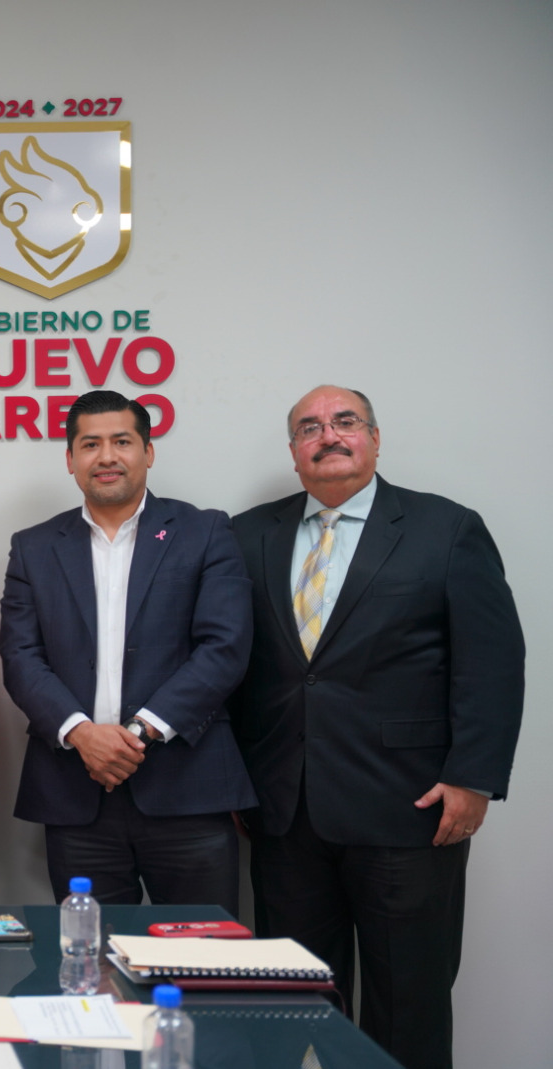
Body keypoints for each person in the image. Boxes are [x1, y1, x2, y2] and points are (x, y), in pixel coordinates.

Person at [229, 385, 524, 1069]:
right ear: (294, 452)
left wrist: (473, 777)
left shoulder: (445, 528)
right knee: (293, 1008)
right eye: (309, 428)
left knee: (408, 1004)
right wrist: (240, 778)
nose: (328, 436)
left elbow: (491, 663)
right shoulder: (246, 534)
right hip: (285, 813)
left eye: (345, 421)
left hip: (410, 809)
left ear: (375, 438)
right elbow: (234, 664)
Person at [0, 391, 255, 912]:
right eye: (90, 444)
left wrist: (135, 735)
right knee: (89, 954)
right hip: (76, 793)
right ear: (70, 459)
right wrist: (82, 734)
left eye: (122, 441)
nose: (107, 456)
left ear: (148, 451)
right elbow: (21, 656)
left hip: (187, 788)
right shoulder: (34, 546)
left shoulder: (205, 531)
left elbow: (224, 647)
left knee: (200, 954)